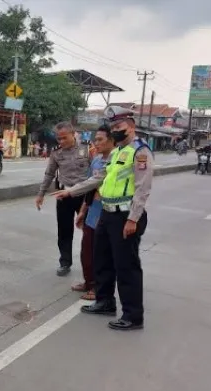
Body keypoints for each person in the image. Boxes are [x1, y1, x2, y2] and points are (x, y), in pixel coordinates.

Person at [59, 106, 154, 331]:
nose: (116, 131)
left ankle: (133, 316)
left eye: (119, 127)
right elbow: (98, 178)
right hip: (107, 213)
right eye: (113, 127)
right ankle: (105, 301)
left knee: (126, 266)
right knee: (102, 260)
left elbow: (143, 188)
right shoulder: (117, 152)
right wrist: (71, 191)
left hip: (125, 216)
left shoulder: (140, 152)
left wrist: (133, 219)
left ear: (131, 126)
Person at [61, 125, 115, 300]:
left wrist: (70, 191)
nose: (96, 143)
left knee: (101, 253)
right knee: (87, 251)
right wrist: (83, 211)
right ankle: (89, 282)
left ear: (112, 140)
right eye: (95, 139)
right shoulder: (97, 161)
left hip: (108, 213)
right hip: (93, 211)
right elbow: (90, 188)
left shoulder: (117, 161)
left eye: (100, 139)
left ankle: (99, 288)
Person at [35, 121, 92, 277]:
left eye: (64, 138)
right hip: (64, 194)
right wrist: (41, 194)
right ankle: (65, 262)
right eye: (58, 138)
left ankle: (90, 264)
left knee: (89, 231)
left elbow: (97, 172)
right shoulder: (56, 152)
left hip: (84, 196)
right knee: (64, 230)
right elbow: (49, 174)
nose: (61, 142)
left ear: (73, 134)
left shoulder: (87, 148)